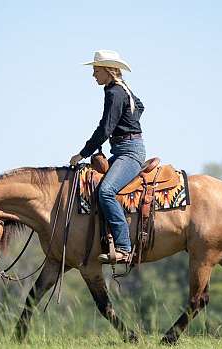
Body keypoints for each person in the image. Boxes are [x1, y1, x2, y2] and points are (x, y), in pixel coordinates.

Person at [69, 50, 146, 263]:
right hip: (126, 149)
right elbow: (140, 106)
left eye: (96, 70)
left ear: (106, 71)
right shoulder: (123, 89)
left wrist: (82, 153)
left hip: (129, 152)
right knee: (95, 184)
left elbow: (105, 128)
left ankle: (123, 247)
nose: (93, 75)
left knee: (106, 191)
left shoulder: (114, 91)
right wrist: (129, 123)